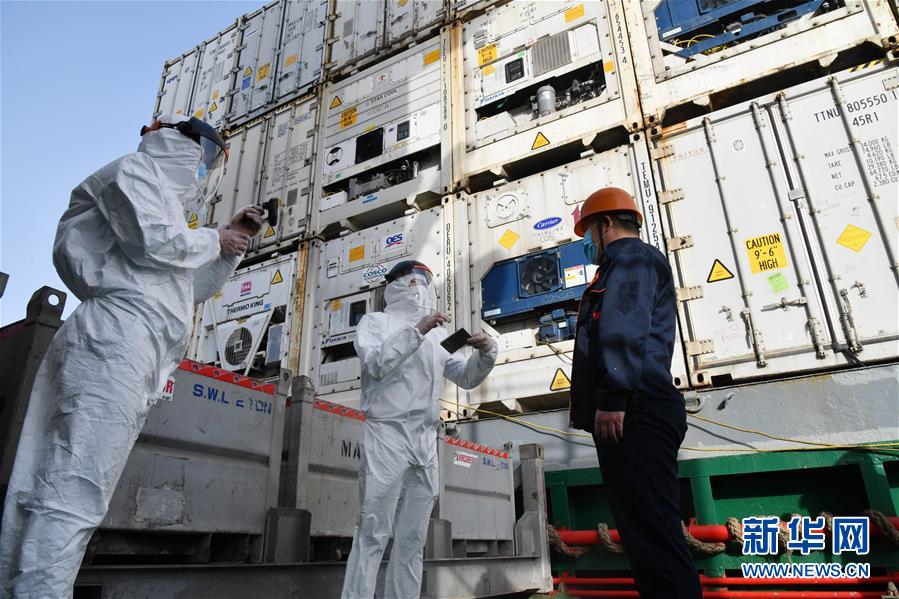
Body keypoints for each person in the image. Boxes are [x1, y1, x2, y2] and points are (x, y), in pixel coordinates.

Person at [0, 115, 265, 598]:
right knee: (76, 487)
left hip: (133, 346)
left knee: (63, 482)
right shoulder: (136, 172)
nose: (207, 173)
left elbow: (188, 287)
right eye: (209, 159)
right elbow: (152, 244)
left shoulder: (169, 211)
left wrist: (228, 249)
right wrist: (214, 238)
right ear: (188, 147)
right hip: (114, 337)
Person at [569, 187, 701, 598]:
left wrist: (612, 399)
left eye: (588, 232)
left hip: (635, 411)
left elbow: (623, 330)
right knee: (644, 537)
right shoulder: (622, 266)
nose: (587, 243)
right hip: (635, 409)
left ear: (605, 223)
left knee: (655, 538)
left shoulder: (631, 258)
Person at [341, 260, 497, 599]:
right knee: (372, 532)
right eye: (415, 280)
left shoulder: (440, 337)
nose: (422, 287)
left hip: (425, 441)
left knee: (412, 539)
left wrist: (486, 352)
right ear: (396, 285)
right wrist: (418, 330)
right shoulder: (375, 323)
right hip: (387, 435)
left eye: (426, 280)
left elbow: (465, 376)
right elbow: (376, 363)